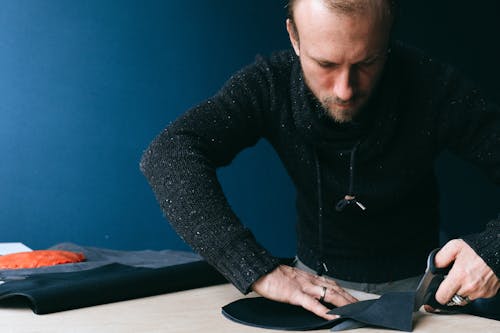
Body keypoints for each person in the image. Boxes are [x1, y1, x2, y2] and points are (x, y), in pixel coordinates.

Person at [140, 0, 499, 320]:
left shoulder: (432, 85)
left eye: (368, 61)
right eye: (325, 63)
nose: (345, 90)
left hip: (423, 300)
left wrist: (494, 249)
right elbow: (168, 154)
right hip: (310, 298)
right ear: (294, 36)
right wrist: (257, 269)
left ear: (388, 35)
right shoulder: (269, 84)